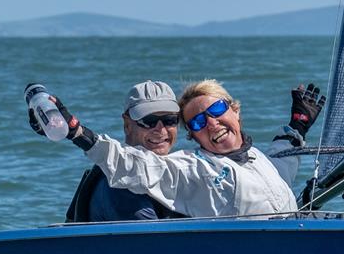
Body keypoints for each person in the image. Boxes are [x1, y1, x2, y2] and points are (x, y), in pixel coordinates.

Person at [32, 79, 325, 218]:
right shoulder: (194, 170)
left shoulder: (257, 159)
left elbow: (280, 164)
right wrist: (77, 133)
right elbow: (134, 165)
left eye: (218, 109)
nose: (211, 123)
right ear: (194, 138)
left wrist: (297, 127)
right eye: (197, 122)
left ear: (236, 111)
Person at [31, 80, 185, 222]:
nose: (160, 129)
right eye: (148, 121)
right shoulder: (122, 186)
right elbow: (154, 243)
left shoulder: (181, 173)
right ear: (127, 124)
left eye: (169, 120)